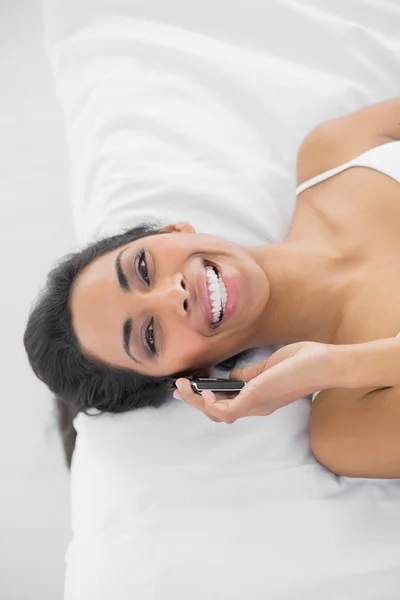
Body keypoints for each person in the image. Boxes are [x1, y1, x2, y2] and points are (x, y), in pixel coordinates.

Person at [24, 99, 400, 478]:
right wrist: (336, 367)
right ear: (189, 377)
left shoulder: (340, 150)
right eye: (150, 335)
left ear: (173, 230)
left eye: (142, 268)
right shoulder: (347, 428)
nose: (174, 295)